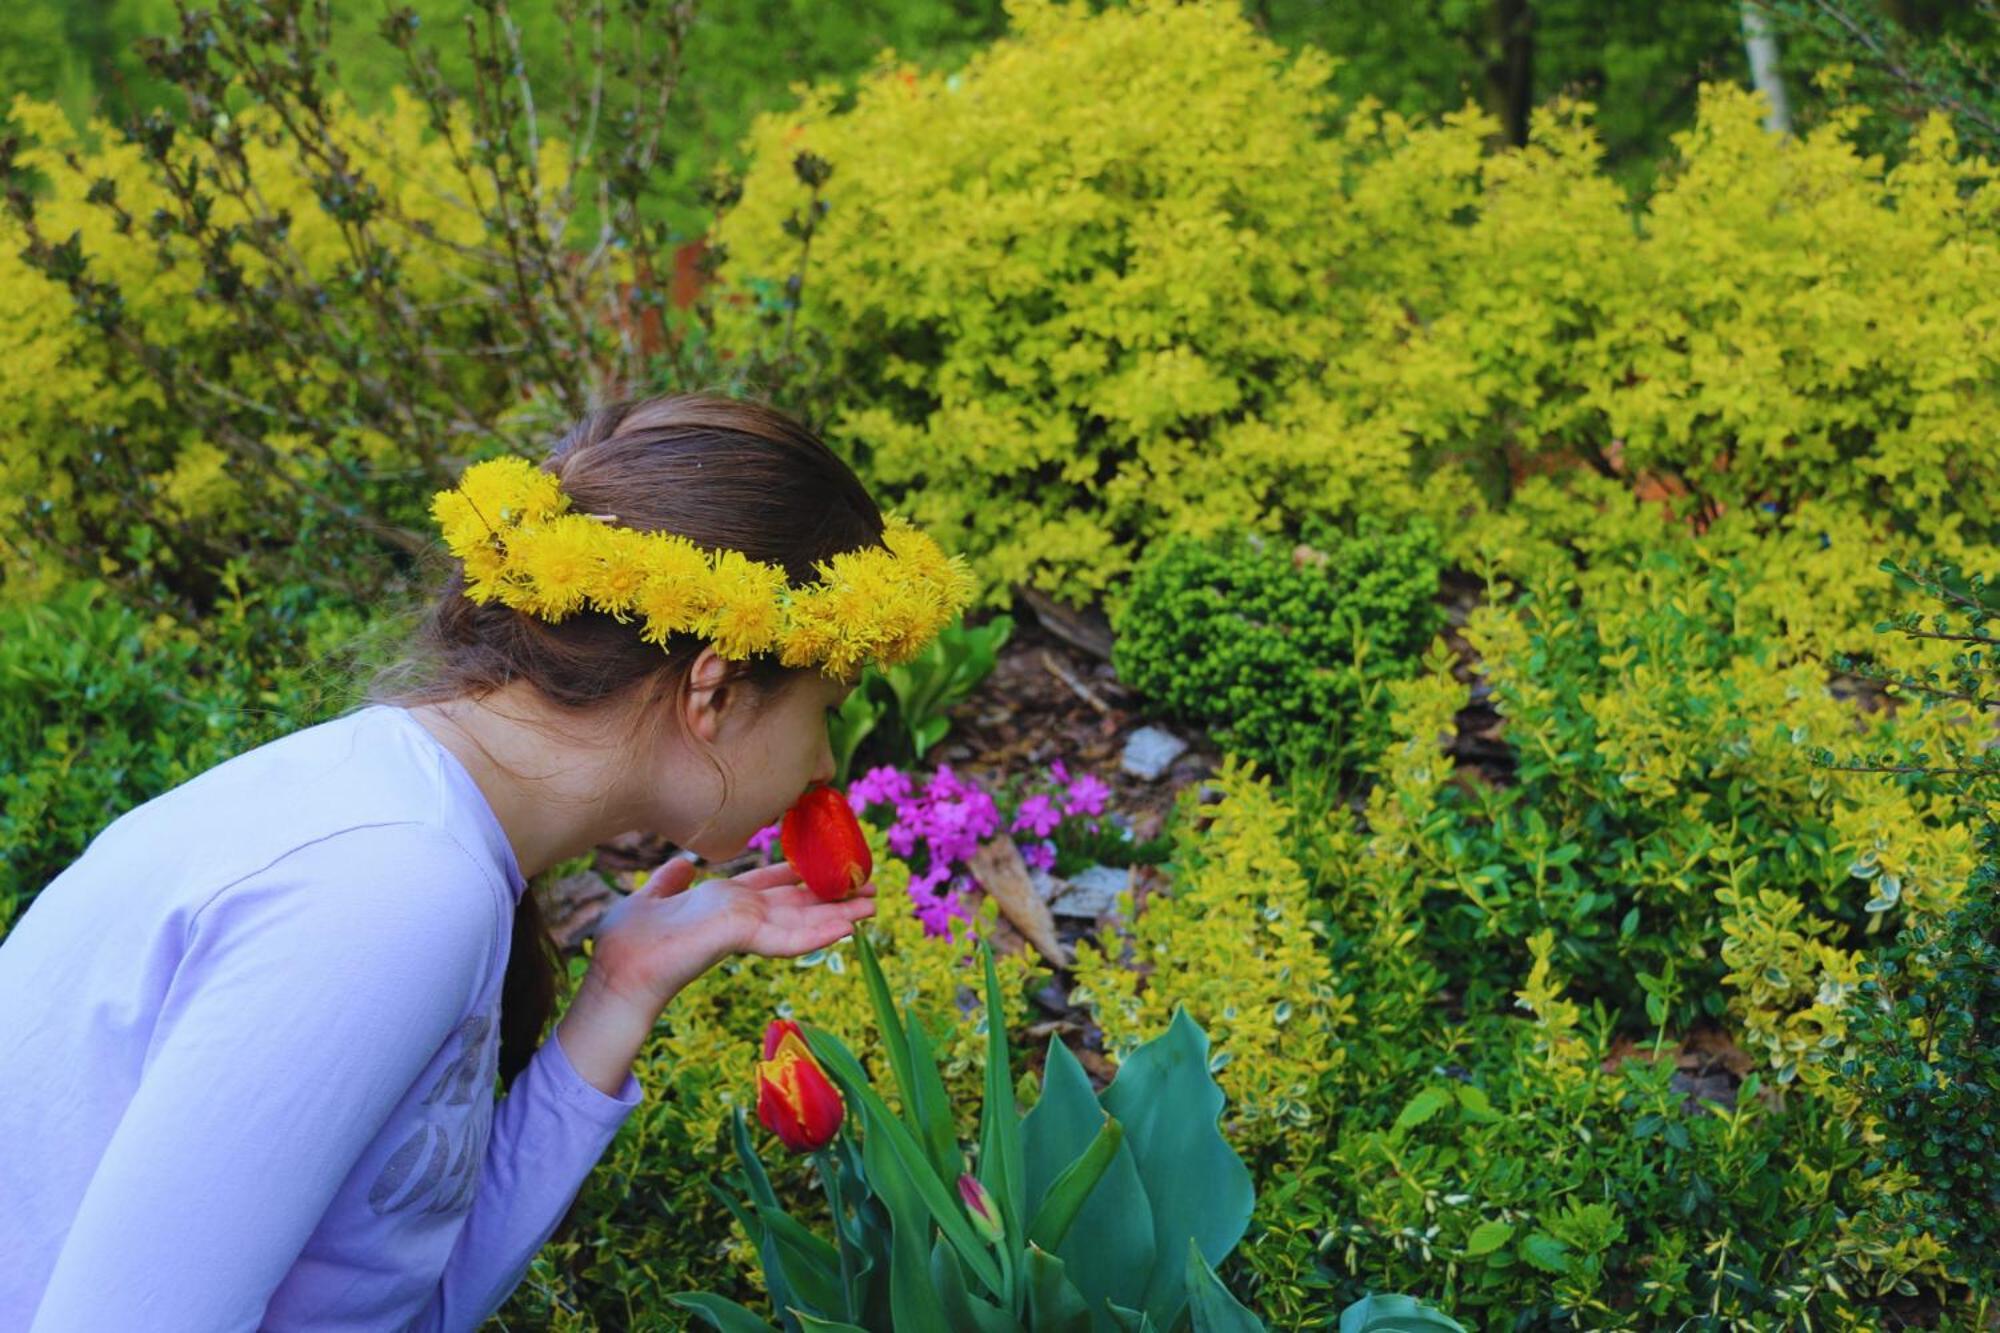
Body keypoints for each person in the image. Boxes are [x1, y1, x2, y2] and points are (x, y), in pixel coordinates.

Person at [0, 393, 974, 1331]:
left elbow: (390, 1300)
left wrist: (619, 991)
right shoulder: (386, 894)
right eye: (828, 710)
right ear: (711, 690)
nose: (820, 765)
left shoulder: (409, 822)